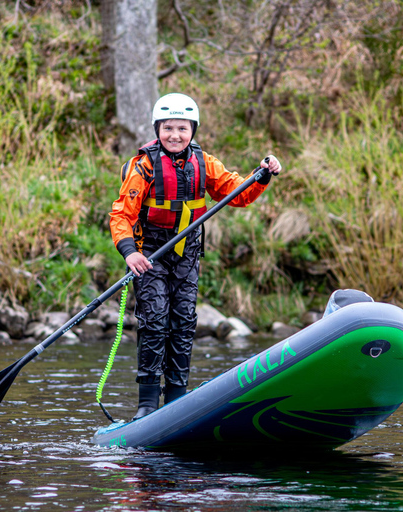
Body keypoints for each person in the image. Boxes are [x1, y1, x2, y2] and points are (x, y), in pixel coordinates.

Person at [109, 93, 283, 420]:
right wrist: (130, 252)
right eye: (168, 128)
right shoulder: (142, 166)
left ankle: (176, 397)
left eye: (182, 128)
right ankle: (147, 403)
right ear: (157, 129)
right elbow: (121, 215)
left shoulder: (205, 163)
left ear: (193, 130)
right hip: (150, 256)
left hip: (186, 256)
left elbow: (238, 193)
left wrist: (263, 174)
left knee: (184, 322)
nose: (175, 135)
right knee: (155, 320)